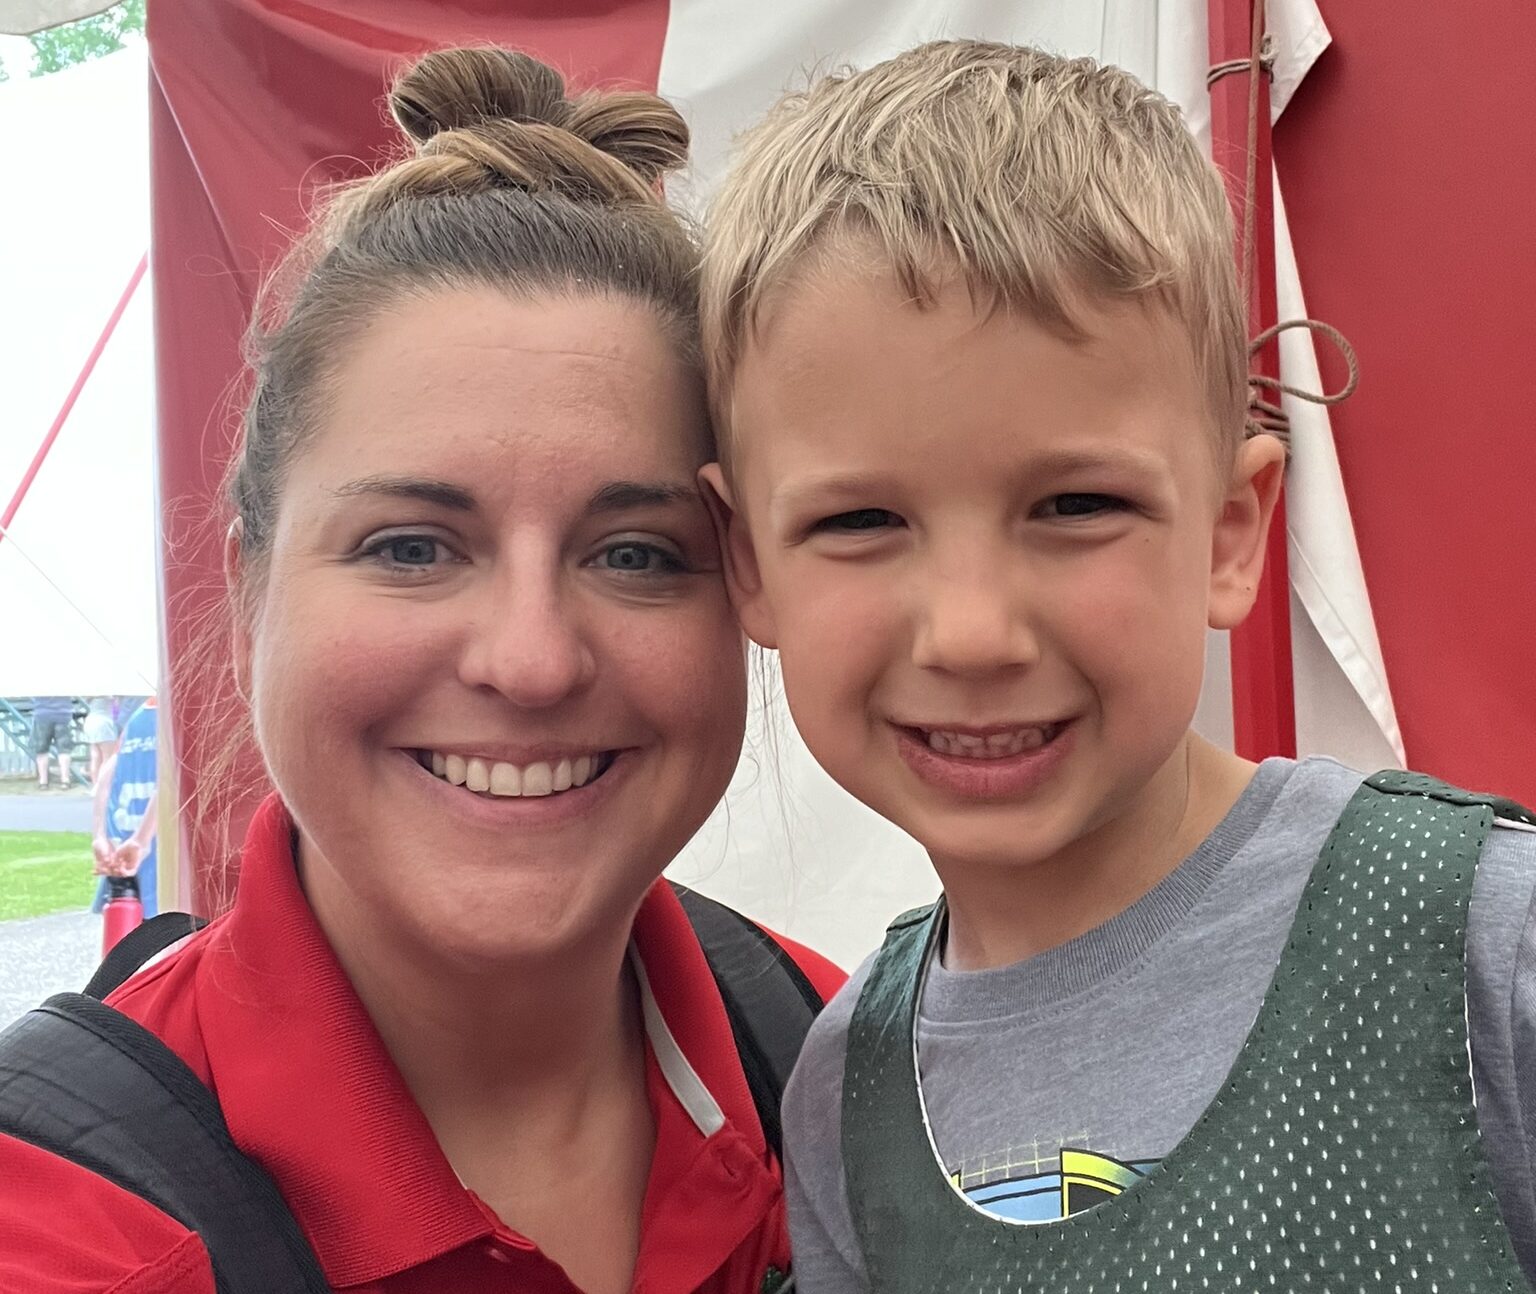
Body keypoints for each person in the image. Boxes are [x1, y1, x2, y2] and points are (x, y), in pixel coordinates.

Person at [697, 40, 1536, 1292]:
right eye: (861, 522)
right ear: (747, 564)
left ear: (1230, 534)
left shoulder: (1480, 941)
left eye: (1075, 505)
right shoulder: (841, 1098)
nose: (972, 632)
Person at [0, 47, 841, 1294]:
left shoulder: (840, 1064)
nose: (533, 657)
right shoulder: (65, 1225)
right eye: (410, 546)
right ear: (248, 592)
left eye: (635, 552)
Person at [90, 695, 159, 918]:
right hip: (154, 853)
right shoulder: (179, 716)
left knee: (126, 938)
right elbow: (172, 779)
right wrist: (142, 839)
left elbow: (104, 778)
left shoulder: (138, 718)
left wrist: (100, 835)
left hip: (121, 846)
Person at [29, 694, 74, 788]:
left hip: (42, 713)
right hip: (63, 713)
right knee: (64, 749)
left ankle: (43, 782)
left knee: (42, 750)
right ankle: (65, 780)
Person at [83, 695, 119, 784]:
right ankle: (103, 784)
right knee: (107, 757)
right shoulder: (110, 693)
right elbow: (116, 710)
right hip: (104, 722)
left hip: (90, 721)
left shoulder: (90, 693)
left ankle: (95, 785)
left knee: (95, 757)